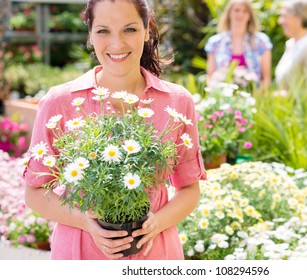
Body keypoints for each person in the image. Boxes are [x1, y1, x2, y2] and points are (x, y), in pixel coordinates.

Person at [22, 0, 206, 260]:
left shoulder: (177, 101)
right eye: (103, 30)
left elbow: (189, 189)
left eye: (129, 29)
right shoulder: (59, 101)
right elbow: (35, 192)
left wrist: (157, 223)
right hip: (81, 253)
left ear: (147, 31)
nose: (117, 44)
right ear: (90, 35)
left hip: (156, 254)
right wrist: (87, 222)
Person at [204, 0, 273, 92]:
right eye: (237, 10)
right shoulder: (215, 42)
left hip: (254, 97)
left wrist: (255, 96)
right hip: (223, 99)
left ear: (250, 15)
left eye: (245, 11)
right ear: (229, 13)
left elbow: (266, 79)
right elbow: (210, 77)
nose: (240, 14)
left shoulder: (261, 41)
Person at [275, 0, 307, 99]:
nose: (280, 21)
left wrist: (284, 96)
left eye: (284, 16)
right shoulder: (292, 44)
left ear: (298, 19)